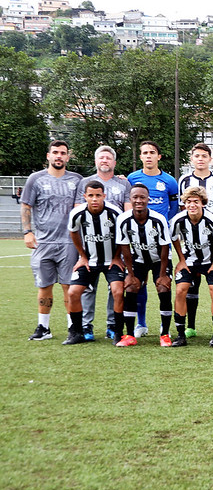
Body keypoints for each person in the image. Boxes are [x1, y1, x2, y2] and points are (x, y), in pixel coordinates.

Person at [21, 140, 83, 341]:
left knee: (69, 286)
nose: (59, 156)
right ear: (48, 156)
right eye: (55, 152)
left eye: (63, 153)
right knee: (44, 286)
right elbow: (26, 206)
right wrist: (27, 232)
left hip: (69, 242)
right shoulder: (35, 179)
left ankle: (72, 328)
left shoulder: (77, 180)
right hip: (43, 242)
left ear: (67, 157)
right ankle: (43, 327)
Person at [77, 145, 131, 342]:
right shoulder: (85, 182)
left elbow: (126, 214)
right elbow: (78, 213)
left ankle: (111, 325)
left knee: (115, 287)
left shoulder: (124, 184)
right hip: (90, 245)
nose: (105, 160)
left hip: (114, 245)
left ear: (114, 162)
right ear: (95, 161)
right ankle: (86, 326)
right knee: (87, 287)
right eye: (101, 157)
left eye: (108, 158)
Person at [128, 141, 179, 339]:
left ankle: (163, 325)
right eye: (145, 153)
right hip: (138, 239)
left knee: (162, 282)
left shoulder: (169, 181)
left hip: (161, 240)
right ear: (140, 157)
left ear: (159, 156)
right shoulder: (132, 178)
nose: (148, 156)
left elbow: (173, 208)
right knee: (137, 282)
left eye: (152, 152)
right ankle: (141, 323)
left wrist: (164, 224)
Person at [177, 143, 213, 339]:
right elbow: (183, 208)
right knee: (190, 285)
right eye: (196, 155)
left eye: (204, 156)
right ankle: (189, 326)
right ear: (192, 159)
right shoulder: (184, 180)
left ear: (210, 159)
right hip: (191, 237)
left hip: (212, 235)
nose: (200, 159)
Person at [63, 181, 125, 345]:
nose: (94, 199)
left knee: (118, 291)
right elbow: (73, 232)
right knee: (73, 293)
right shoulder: (78, 213)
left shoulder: (115, 212)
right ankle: (77, 332)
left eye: (98, 195)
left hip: (112, 260)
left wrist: (117, 256)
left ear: (104, 196)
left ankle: (117, 332)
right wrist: (82, 256)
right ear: (85, 197)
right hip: (89, 260)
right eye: (91, 195)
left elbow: (122, 236)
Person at [116, 183, 173, 347]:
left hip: (159, 260)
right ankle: (129, 335)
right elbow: (125, 247)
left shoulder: (158, 219)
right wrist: (130, 274)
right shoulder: (124, 219)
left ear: (148, 199)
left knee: (163, 288)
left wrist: (162, 275)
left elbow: (164, 248)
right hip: (138, 259)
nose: (139, 200)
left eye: (142, 197)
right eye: (135, 197)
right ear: (130, 199)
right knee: (131, 288)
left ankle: (164, 335)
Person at [170, 186, 213, 347]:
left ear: (203, 203)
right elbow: (173, 238)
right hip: (189, 261)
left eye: (196, 201)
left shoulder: (212, 220)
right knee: (181, 290)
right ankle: (181, 335)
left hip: (211, 261)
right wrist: (181, 259)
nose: (192, 205)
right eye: (188, 202)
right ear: (184, 203)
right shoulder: (178, 220)